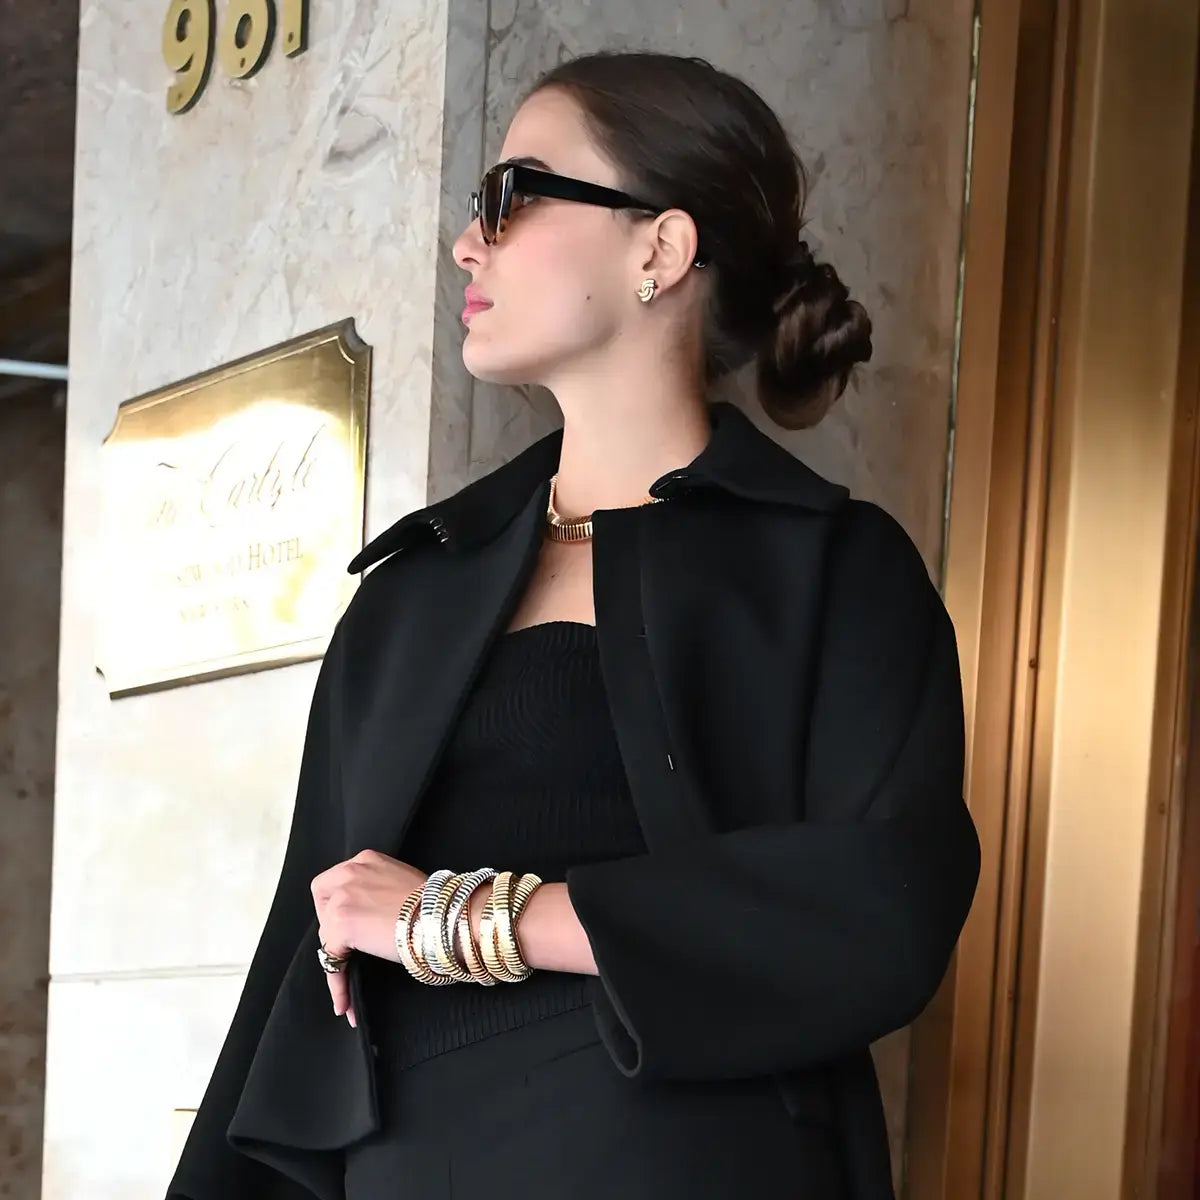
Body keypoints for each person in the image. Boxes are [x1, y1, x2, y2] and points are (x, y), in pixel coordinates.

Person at [167, 49, 979, 1200]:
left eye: (512, 195)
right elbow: (290, 979)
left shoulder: (832, 569)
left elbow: (880, 904)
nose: (468, 242)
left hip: (684, 1162)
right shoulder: (414, 592)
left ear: (659, 248)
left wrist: (476, 919)